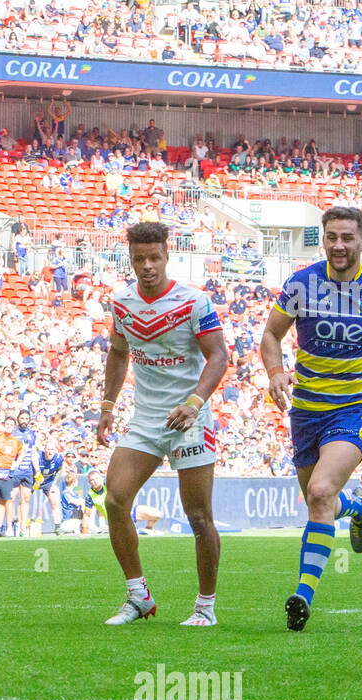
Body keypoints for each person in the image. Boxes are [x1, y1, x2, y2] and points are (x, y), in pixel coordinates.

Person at [261, 206, 362, 632]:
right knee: (324, 502)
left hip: (354, 408)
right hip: (305, 411)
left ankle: (303, 595)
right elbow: (271, 335)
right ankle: (358, 506)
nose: (339, 245)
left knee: (318, 492)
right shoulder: (301, 284)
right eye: (332, 236)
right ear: (324, 239)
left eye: (348, 237)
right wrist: (276, 372)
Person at [96, 222, 229, 627]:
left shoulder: (193, 302)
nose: (148, 266)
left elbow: (219, 356)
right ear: (131, 260)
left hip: (189, 418)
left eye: (154, 257)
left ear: (168, 255)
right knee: (115, 499)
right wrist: (107, 405)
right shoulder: (122, 303)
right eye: (139, 259)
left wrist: (194, 402)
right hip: (147, 419)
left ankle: (205, 607)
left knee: (199, 517)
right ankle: (139, 596)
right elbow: (119, 354)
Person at [10, 411, 39, 536]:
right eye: (22, 418)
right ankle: (9, 527)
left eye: (26, 418)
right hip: (15, 470)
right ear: (18, 419)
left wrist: (37, 470)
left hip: (27, 471)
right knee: (11, 498)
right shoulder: (13, 433)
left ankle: (23, 528)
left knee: (25, 499)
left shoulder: (32, 434)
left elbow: (33, 453)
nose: (24, 421)